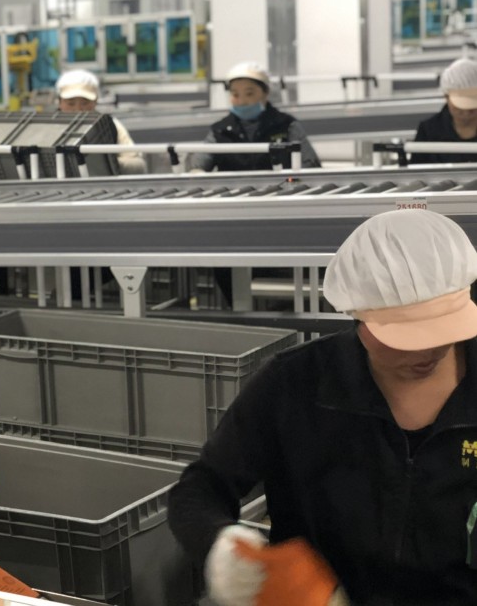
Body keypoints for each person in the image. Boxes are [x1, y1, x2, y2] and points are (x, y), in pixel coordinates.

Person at [168, 209, 477, 605]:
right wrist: (222, 544)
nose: (428, 348)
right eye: (404, 334)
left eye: (445, 328)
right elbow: (200, 488)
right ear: (357, 314)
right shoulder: (295, 385)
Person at [187, 61, 321, 172]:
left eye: (249, 93)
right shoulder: (220, 131)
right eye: (235, 94)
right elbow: (199, 164)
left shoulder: (286, 125)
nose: (242, 101)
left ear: (265, 92)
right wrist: (197, 171)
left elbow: (310, 166)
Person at [55, 69, 146, 174]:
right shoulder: (43, 129)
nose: (78, 109)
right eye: (71, 103)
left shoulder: (110, 125)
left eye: (85, 103)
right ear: (59, 102)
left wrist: (108, 165)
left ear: (96, 101)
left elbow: (138, 164)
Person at [411, 57, 477, 164]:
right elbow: (417, 175)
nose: (466, 110)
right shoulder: (429, 131)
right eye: (460, 104)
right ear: (446, 96)